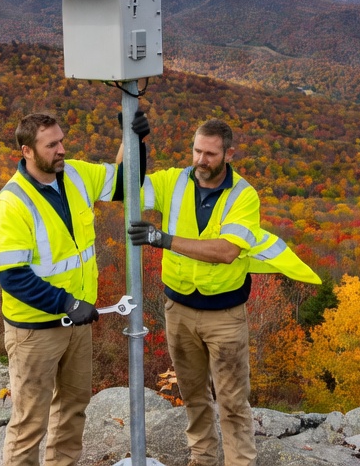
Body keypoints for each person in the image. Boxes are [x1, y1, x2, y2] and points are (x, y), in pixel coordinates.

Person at [128, 118, 320, 466]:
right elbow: (125, 187)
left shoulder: (243, 195)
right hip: (178, 310)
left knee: (232, 401)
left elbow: (226, 251)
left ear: (228, 154)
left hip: (224, 318)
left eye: (211, 154)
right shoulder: (175, 180)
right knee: (192, 395)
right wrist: (133, 140)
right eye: (197, 151)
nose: (201, 160)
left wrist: (163, 240)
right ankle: (203, 459)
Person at [0, 111, 146, 466]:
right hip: (34, 332)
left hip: (77, 324)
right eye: (52, 144)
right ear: (27, 151)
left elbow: (124, 184)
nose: (61, 149)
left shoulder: (73, 174)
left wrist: (132, 140)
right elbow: (12, 277)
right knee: (30, 422)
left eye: (61, 141)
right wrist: (67, 302)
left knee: (73, 408)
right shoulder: (9, 204)